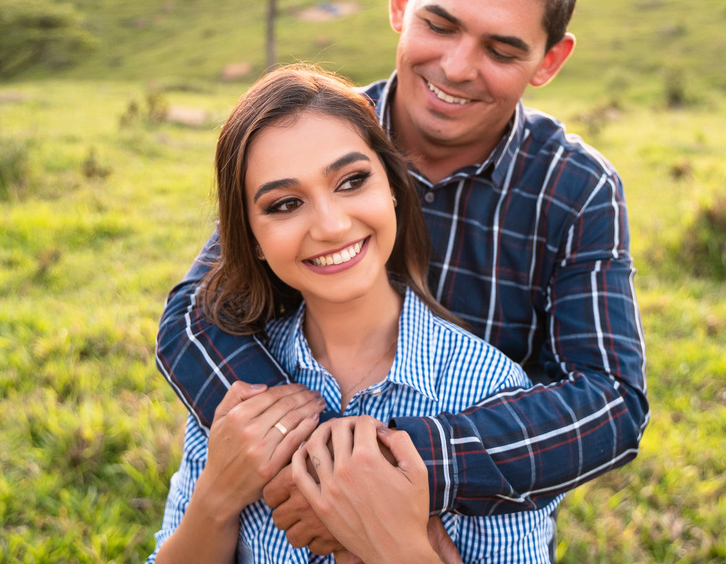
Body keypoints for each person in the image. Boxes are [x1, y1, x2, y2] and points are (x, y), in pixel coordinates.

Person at [155, 0, 649, 553]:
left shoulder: (575, 188)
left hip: (477, 512)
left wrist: (399, 467)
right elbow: (195, 313)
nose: (455, 67)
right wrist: (308, 462)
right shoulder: (322, 136)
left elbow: (611, 405)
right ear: (399, 2)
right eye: (439, 25)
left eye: (501, 50)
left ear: (549, 61)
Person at [147, 66, 560, 563]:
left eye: (352, 180)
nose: (331, 224)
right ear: (252, 240)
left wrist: (394, 543)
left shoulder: (489, 394)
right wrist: (216, 499)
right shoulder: (238, 392)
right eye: (285, 204)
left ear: (391, 186)